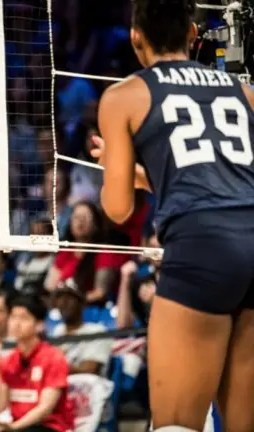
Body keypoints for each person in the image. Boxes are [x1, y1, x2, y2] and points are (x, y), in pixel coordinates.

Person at [95, 0, 254, 430]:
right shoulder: (243, 92)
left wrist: (117, 168)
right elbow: (224, 180)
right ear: (192, 35)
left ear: (135, 37)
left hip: (203, 246)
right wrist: (147, 176)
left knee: (176, 425)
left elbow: (118, 209)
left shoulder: (125, 95)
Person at [0, 295, 74, 432]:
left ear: (39, 325)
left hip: (48, 427)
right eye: (13, 317)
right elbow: (0, 405)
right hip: (17, 426)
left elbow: (45, 408)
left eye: (24, 318)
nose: (16, 323)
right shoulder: (8, 360)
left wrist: (13, 427)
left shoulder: (54, 357)